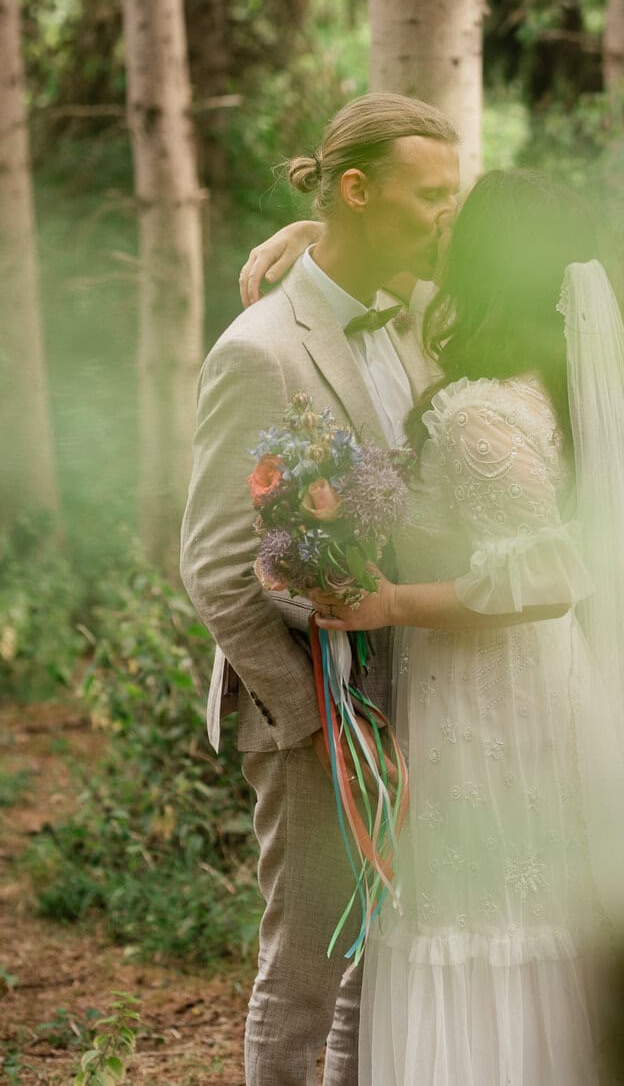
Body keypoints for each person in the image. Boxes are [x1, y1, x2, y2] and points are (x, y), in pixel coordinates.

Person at [246, 169, 624, 1086]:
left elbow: (549, 576)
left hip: (494, 699)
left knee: (490, 919)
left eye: (457, 223)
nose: (439, 231)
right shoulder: (548, 385)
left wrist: (389, 604)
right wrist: (313, 237)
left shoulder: (483, 414)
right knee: (531, 919)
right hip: (514, 683)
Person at [180, 92, 460, 1086]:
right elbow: (215, 562)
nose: (448, 216)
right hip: (315, 709)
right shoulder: (260, 350)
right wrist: (311, 722)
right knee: (304, 975)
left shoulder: (420, 317)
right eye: (431, 195)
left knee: (377, 973)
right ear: (357, 190)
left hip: (419, 688)